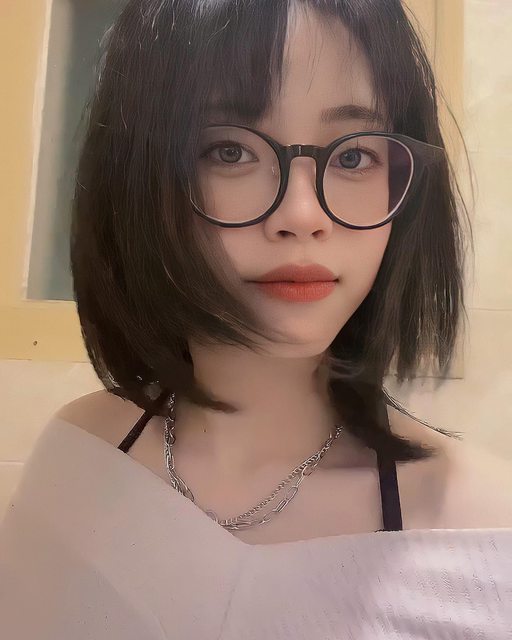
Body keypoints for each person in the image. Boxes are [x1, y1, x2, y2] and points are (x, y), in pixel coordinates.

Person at [1, 0, 511, 637]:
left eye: (354, 157)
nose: (302, 215)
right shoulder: (81, 454)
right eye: (229, 151)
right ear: (136, 179)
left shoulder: (485, 537)